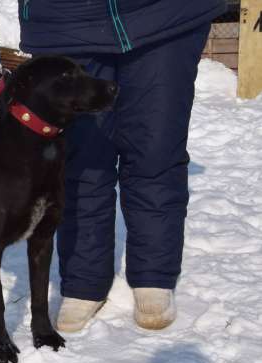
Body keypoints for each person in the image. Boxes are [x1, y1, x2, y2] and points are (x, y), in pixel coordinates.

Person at [18, 0, 227, 331]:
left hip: (164, 14)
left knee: (155, 147)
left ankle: (154, 276)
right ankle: (83, 281)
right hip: (64, 18)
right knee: (80, 159)